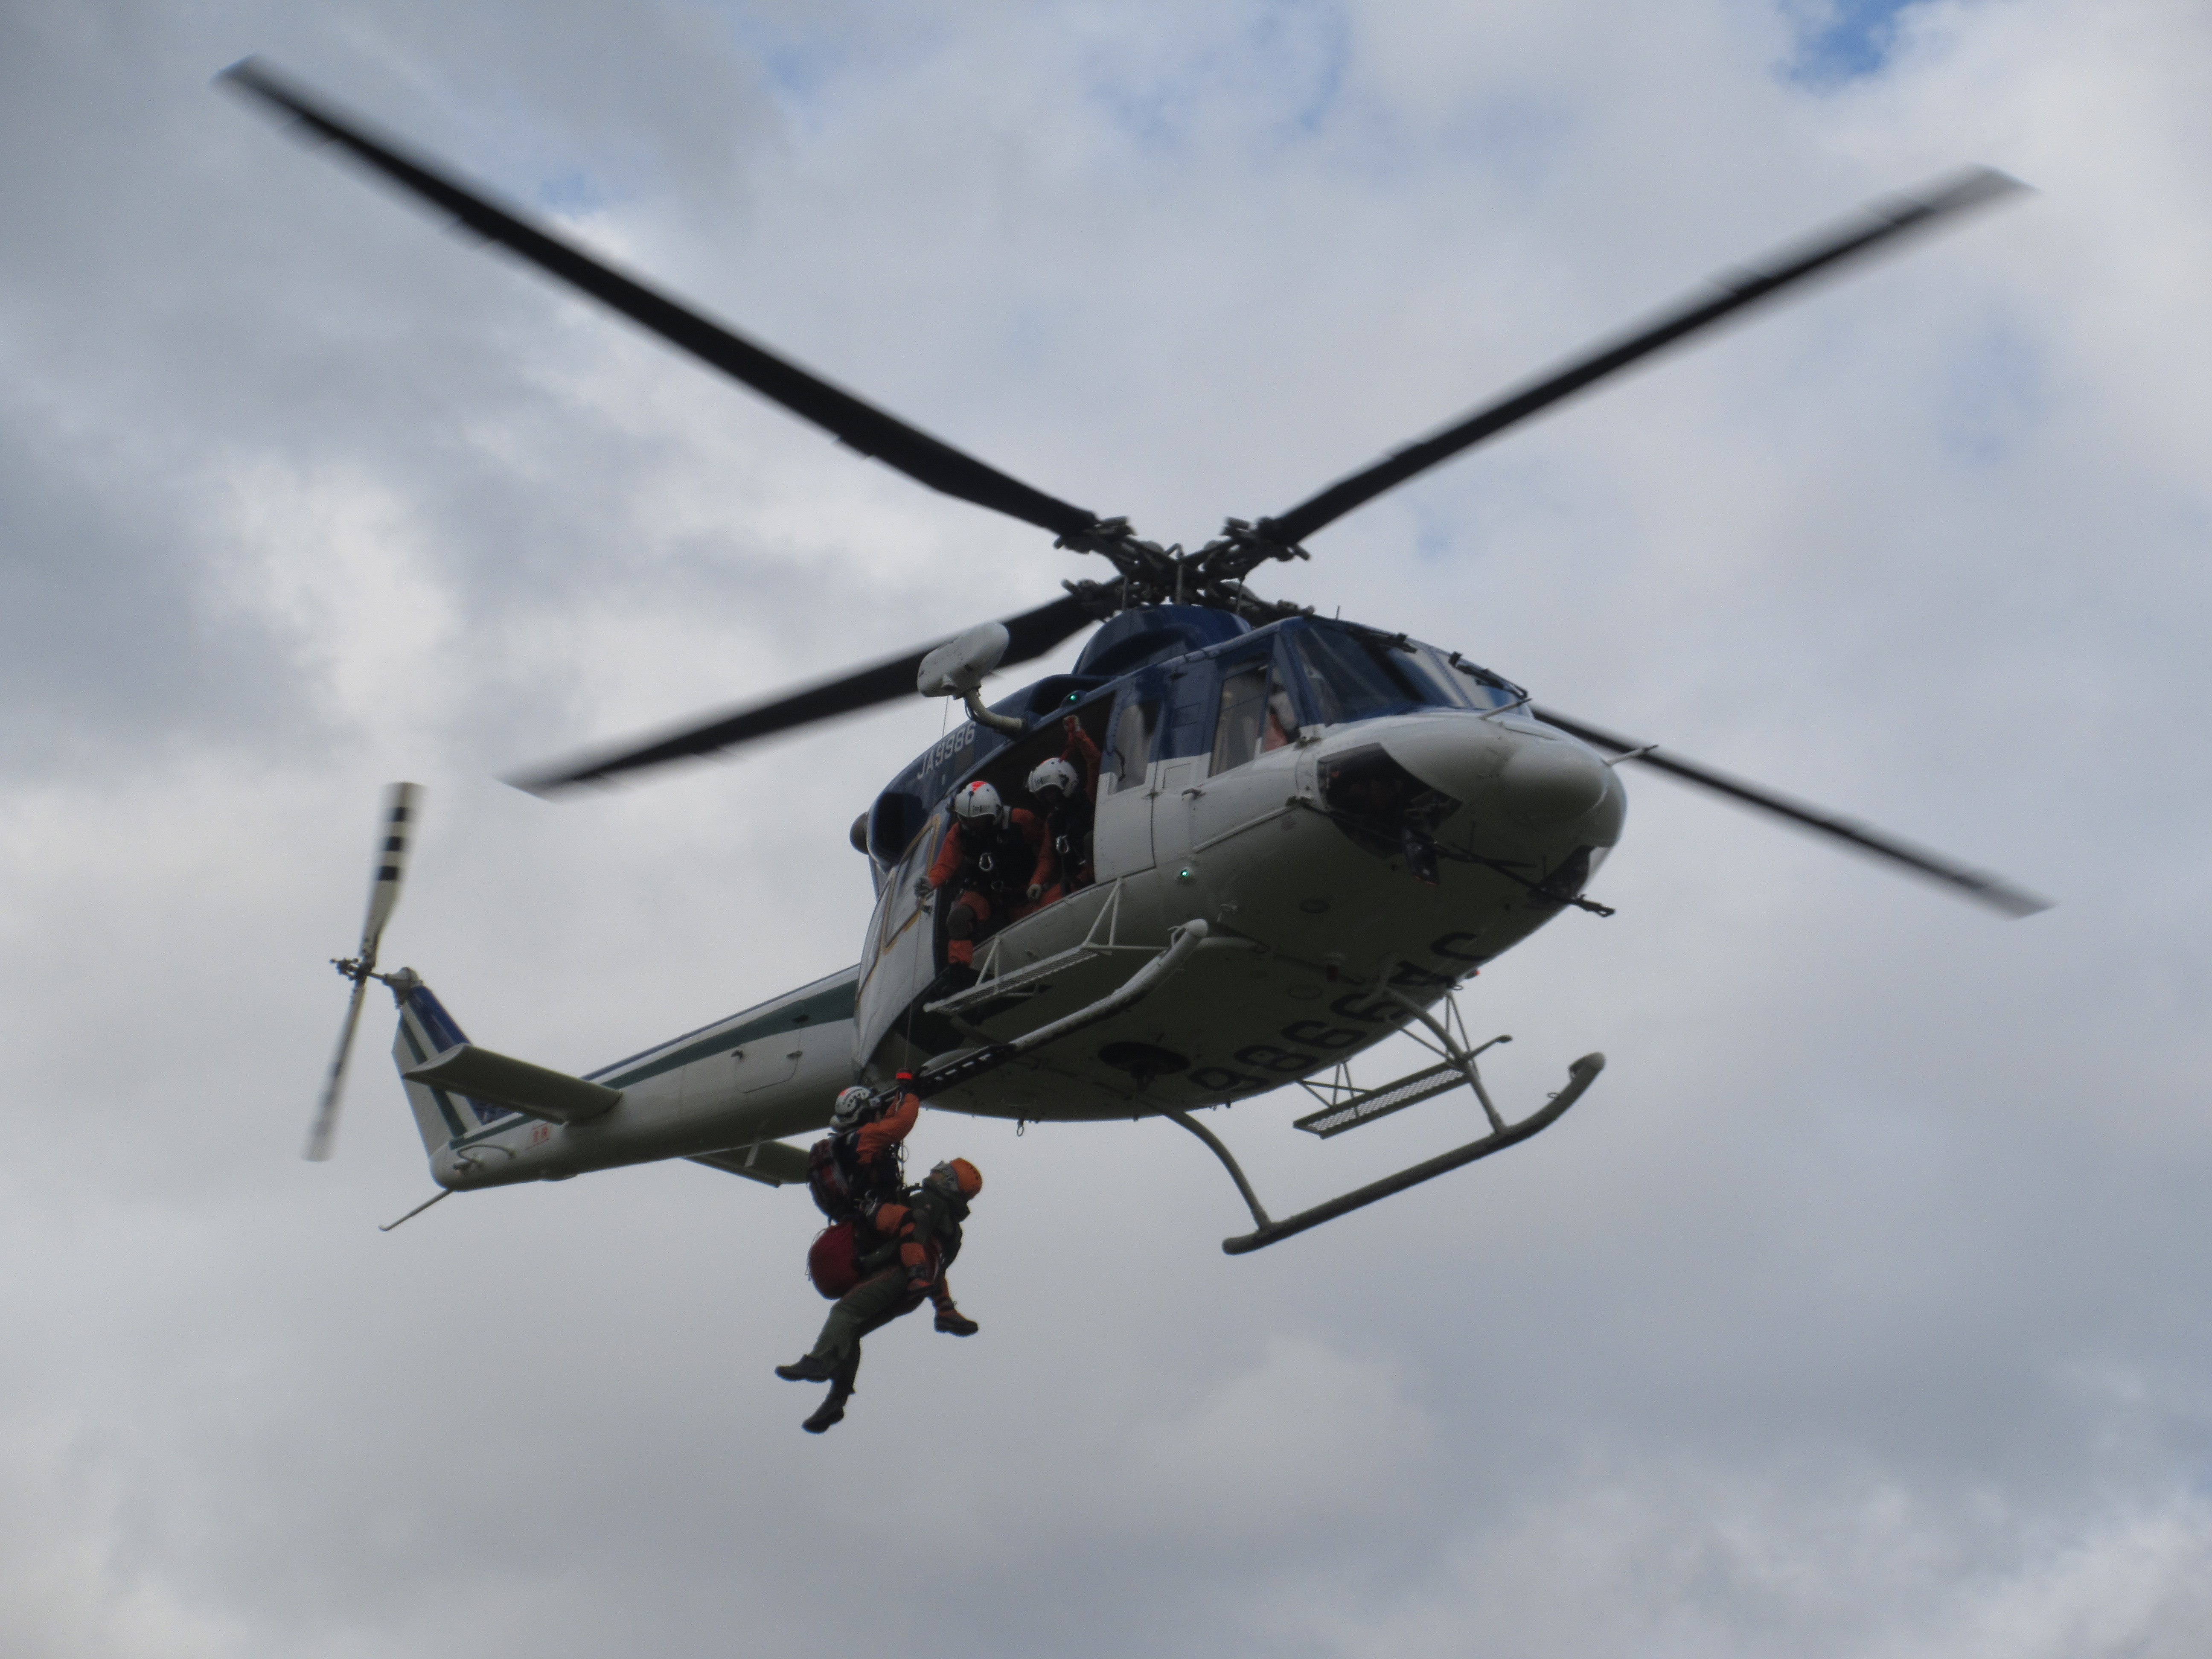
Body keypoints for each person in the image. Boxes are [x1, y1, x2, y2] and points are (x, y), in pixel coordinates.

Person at [777, 1158, 984, 1433]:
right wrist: (942, 1306)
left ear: (948, 1181)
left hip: (899, 1274)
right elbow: (938, 1268)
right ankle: (836, 1402)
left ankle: (820, 1362)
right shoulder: (954, 1232)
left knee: (845, 1313)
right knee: (850, 1331)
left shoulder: (925, 1202)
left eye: (942, 1170)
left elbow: (910, 1237)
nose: (934, 1171)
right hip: (913, 1292)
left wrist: (871, 1260)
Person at [917, 780, 1043, 977]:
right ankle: (959, 974)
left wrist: (1039, 879)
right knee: (958, 920)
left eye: (977, 820)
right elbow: (946, 864)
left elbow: (1047, 845)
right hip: (987, 894)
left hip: (1024, 891)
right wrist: (932, 881)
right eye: (965, 820)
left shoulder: (1019, 820)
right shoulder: (959, 834)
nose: (971, 825)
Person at [1025, 715, 1101, 906]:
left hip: (1102, 868)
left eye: (1052, 791)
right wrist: (1036, 883)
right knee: (1046, 903)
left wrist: (1079, 736)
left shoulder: (1089, 797)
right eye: (1045, 794)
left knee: (1090, 838)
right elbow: (1047, 857)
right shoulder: (1053, 821)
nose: (1050, 797)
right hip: (1078, 878)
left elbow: (1094, 762)